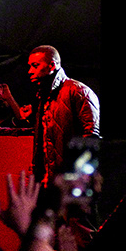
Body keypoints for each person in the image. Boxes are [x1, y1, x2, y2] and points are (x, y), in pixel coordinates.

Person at [23, 45, 99, 186]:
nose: (30, 71)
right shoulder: (43, 96)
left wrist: (77, 181)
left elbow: (91, 138)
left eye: (35, 66)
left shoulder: (79, 91)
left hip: (69, 183)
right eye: (30, 66)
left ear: (52, 65)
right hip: (47, 182)